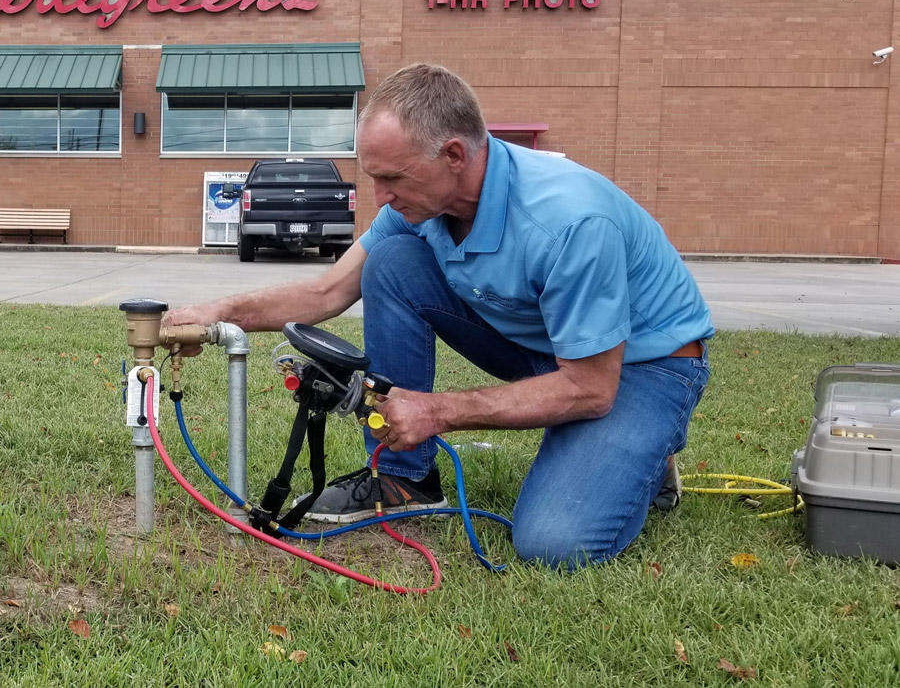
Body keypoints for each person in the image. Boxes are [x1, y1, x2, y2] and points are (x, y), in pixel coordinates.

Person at [163, 63, 714, 570]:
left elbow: (592, 387)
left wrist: (439, 411)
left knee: (553, 544)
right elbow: (326, 291)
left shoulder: (570, 222)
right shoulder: (425, 204)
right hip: (546, 347)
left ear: (454, 155)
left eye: (394, 179)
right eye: (373, 177)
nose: (380, 197)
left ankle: (649, 450)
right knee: (393, 262)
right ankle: (406, 482)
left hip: (639, 367)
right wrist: (217, 314)